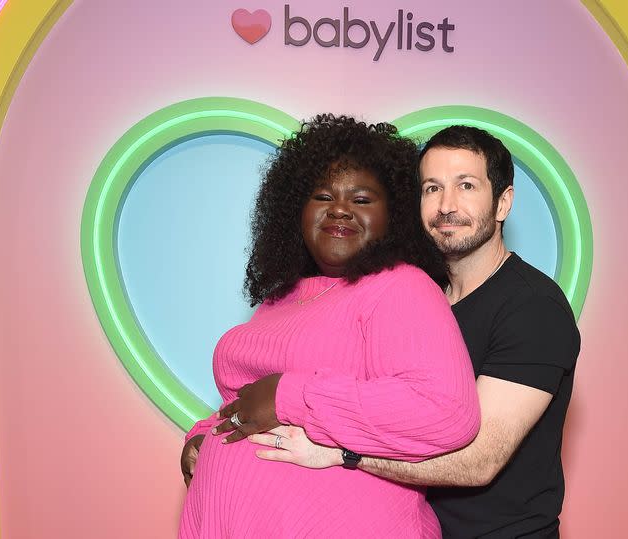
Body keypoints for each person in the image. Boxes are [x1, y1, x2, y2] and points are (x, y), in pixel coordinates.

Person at [249, 126, 581, 538]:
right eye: (431, 188)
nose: (446, 206)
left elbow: (478, 461)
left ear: (503, 203)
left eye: (466, 186)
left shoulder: (533, 308)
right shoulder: (412, 293)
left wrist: (340, 454)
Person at [178, 115, 481, 538]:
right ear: (296, 211)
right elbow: (251, 401)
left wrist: (291, 395)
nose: (339, 208)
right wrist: (207, 436)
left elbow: (446, 412)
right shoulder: (282, 296)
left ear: (392, 215)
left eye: (361, 199)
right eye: (323, 195)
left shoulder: (401, 287)